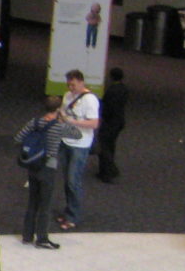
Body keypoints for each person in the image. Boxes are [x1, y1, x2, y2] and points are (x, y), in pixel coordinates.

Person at [16, 96, 81, 249]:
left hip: (33, 165)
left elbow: (18, 137)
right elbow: (77, 134)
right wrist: (64, 119)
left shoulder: (35, 122)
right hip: (48, 167)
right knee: (45, 204)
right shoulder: (58, 126)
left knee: (32, 201)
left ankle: (27, 235)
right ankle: (42, 238)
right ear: (58, 109)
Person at [55, 70, 100, 232]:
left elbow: (94, 123)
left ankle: (73, 216)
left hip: (80, 144)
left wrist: (72, 121)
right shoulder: (68, 95)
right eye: (69, 84)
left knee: (74, 181)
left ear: (81, 82)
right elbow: (62, 112)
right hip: (66, 141)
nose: (71, 87)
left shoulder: (90, 100)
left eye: (73, 84)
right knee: (68, 179)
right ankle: (68, 212)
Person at [94, 66, 127, 183]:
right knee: (111, 145)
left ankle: (108, 171)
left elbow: (108, 108)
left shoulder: (111, 91)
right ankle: (108, 169)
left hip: (109, 122)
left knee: (103, 146)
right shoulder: (124, 89)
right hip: (119, 121)